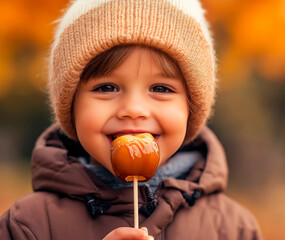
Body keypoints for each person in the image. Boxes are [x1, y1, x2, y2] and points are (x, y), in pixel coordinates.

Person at [0, 0, 263, 239]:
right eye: (107, 88)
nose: (134, 109)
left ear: (190, 108)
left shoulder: (232, 228)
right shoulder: (28, 225)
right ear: (71, 105)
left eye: (160, 88)